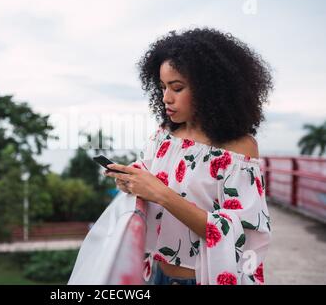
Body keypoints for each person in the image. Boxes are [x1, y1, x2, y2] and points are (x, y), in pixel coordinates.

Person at [103, 27, 273, 285]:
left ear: (210, 90)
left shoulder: (239, 149)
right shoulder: (164, 135)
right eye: (162, 87)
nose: (166, 98)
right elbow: (147, 174)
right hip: (157, 275)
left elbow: (240, 234)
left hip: (200, 279)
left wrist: (160, 193)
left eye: (177, 88)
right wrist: (128, 178)